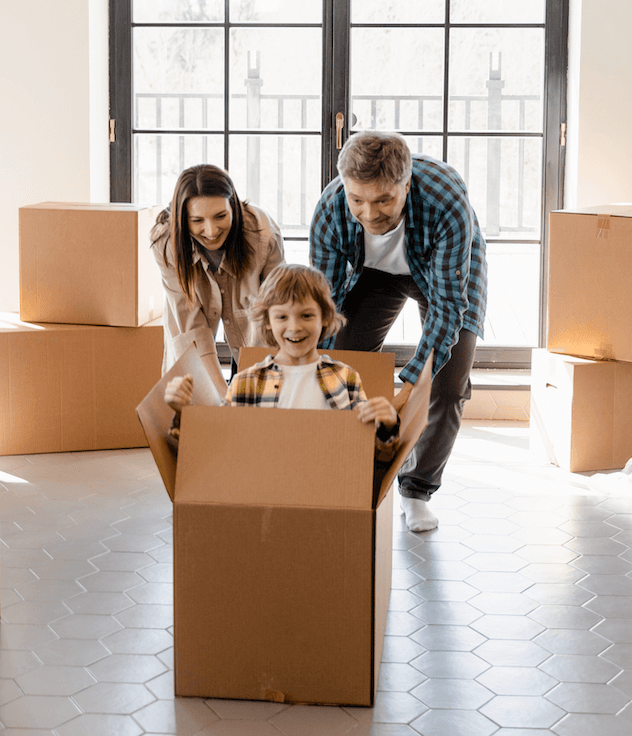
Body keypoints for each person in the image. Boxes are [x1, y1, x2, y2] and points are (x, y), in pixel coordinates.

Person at [310, 131, 487, 532]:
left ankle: (415, 490)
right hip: (371, 275)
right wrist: (309, 369)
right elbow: (323, 305)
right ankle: (345, 468)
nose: (369, 214)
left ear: (406, 185)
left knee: (445, 384)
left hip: (442, 273)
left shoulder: (445, 200)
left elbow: (447, 310)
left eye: (384, 200)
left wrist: (406, 390)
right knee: (339, 360)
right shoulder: (331, 209)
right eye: (358, 200)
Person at [165, 264, 398, 448]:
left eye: (306, 315)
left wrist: (387, 424)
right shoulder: (246, 383)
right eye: (282, 317)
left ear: (325, 318)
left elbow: (368, 450)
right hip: (266, 495)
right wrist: (182, 413)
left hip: (325, 492)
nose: (294, 327)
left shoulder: (345, 378)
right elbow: (218, 444)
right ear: (267, 323)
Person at [151, 164, 285, 374]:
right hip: (191, 327)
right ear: (182, 219)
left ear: (234, 207)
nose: (211, 231)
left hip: (255, 328)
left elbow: (276, 311)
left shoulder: (264, 234)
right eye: (197, 220)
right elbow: (191, 326)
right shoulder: (167, 243)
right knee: (196, 392)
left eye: (221, 216)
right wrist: (221, 397)